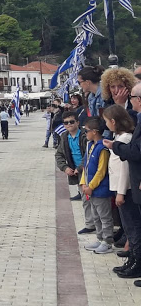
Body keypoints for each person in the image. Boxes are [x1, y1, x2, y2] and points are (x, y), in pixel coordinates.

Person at [102, 105, 141, 278]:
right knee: (128, 226)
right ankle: (133, 259)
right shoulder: (118, 137)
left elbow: (125, 167)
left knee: (133, 227)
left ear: (113, 121)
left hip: (126, 189)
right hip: (120, 187)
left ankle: (137, 261)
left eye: (106, 121)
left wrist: (120, 192)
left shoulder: (125, 138)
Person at [55, 110, 94, 234]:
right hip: (76, 172)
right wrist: (65, 168)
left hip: (88, 170)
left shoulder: (84, 135)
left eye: (71, 122)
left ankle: (94, 224)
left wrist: (80, 167)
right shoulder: (64, 137)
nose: (69, 124)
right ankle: (90, 223)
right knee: (85, 198)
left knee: (92, 198)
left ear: (77, 122)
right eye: (66, 123)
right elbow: (59, 155)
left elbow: (89, 153)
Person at [80, 117, 114, 254]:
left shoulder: (103, 148)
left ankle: (107, 241)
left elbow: (101, 171)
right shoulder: (90, 145)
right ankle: (99, 238)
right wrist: (83, 182)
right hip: (90, 189)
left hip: (100, 189)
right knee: (96, 216)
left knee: (104, 217)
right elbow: (86, 166)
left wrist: (91, 186)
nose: (85, 133)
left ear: (94, 132)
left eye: (86, 131)